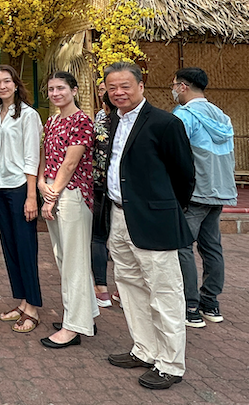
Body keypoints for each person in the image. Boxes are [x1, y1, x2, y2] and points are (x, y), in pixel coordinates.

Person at [104, 61, 194, 390]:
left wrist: (166, 208)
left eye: (125, 86)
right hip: (118, 216)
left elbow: (184, 174)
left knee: (164, 292)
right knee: (129, 286)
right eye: (112, 87)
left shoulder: (164, 123)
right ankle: (144, 349)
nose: (119, 92)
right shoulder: (114, 120)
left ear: (141, 86)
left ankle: (170, 363)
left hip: (155, 220)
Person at [171, 67, 237, 327]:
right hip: (220, 191)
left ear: (183, 86)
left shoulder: (184, 116)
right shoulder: (223, 116)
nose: (173, 89)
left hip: (195, 192)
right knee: (212, 248)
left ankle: (190, 307)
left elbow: (175, 155)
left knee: (182, 247)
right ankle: (211, 303)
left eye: (175, 85)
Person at [38, 71, 97, 349]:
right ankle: (85, 315)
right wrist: (40, 183)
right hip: (51, 188)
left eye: (61, 88)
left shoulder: (81, 120)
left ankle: (73, 326)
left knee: (74, 259)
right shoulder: (52, 120)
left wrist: (52, 196)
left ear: (74, 90)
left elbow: (71, 162)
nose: (55, 93)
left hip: (72, 192)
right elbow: (45, 155)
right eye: (51, 89)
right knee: (64, 256)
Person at [0, 66, 43, 334]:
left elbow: (33, 155)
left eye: (7, 81)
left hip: (21, 188)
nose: (2, 86)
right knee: (10, 247)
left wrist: (32, 196)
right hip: (0, 186)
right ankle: (22, 301)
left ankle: (33, 306)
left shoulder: (28, 115)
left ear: (16, 84)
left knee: (25, 247)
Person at [92, 84, 114, 309]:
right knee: (98, 236)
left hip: (122, 189)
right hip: (99, 185)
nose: (103, 92)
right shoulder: (99, 116)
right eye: (101, 88)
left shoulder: (124, 118)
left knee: (119, 239)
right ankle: (101, 287)